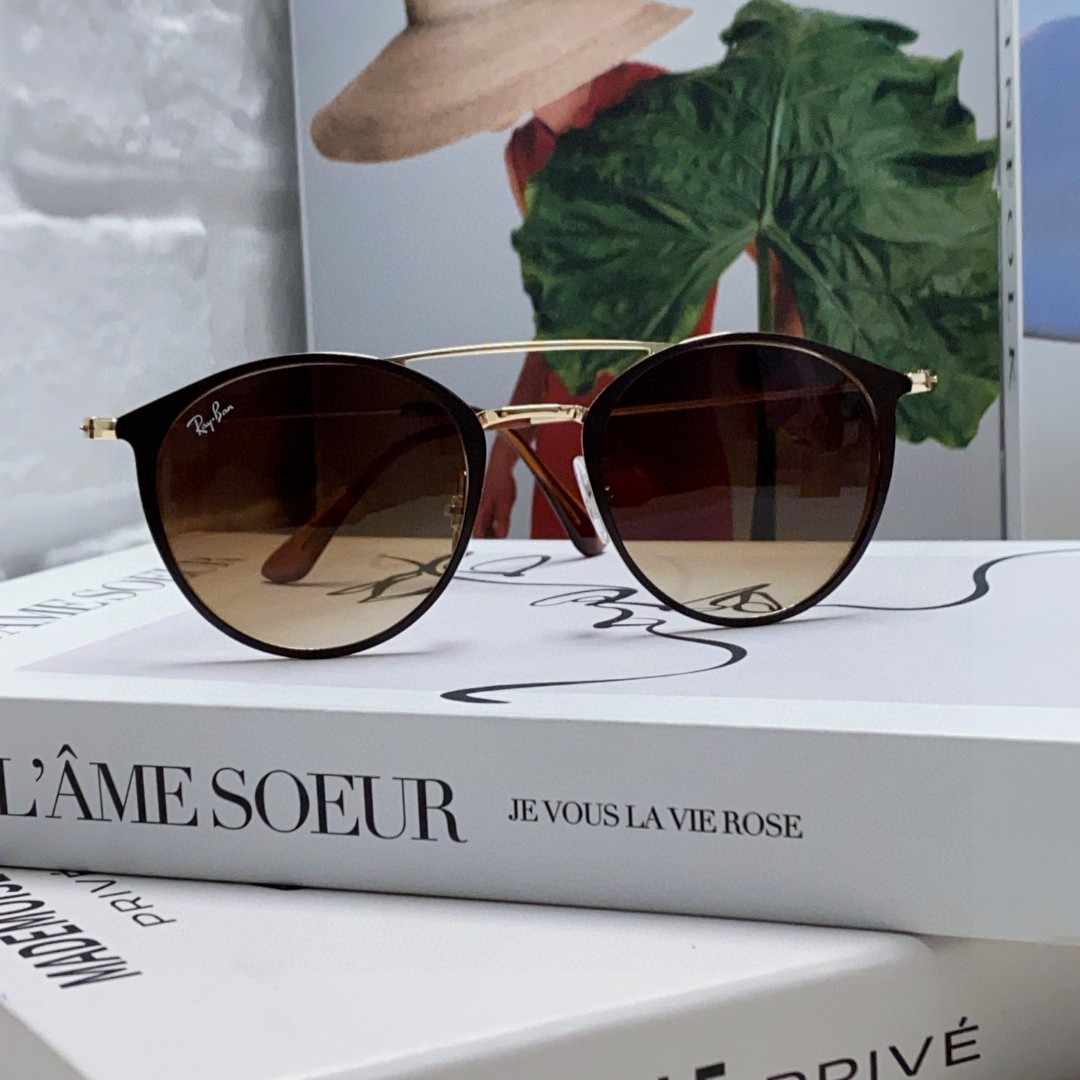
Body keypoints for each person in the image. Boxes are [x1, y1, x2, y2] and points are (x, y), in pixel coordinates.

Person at [311, 0, 803, 540]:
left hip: (675, 446)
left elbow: (788, 263)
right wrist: (507, 451)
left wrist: (780, 388)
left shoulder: (675, 117)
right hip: (564, 458)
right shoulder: (525, 153)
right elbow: (560, 325)